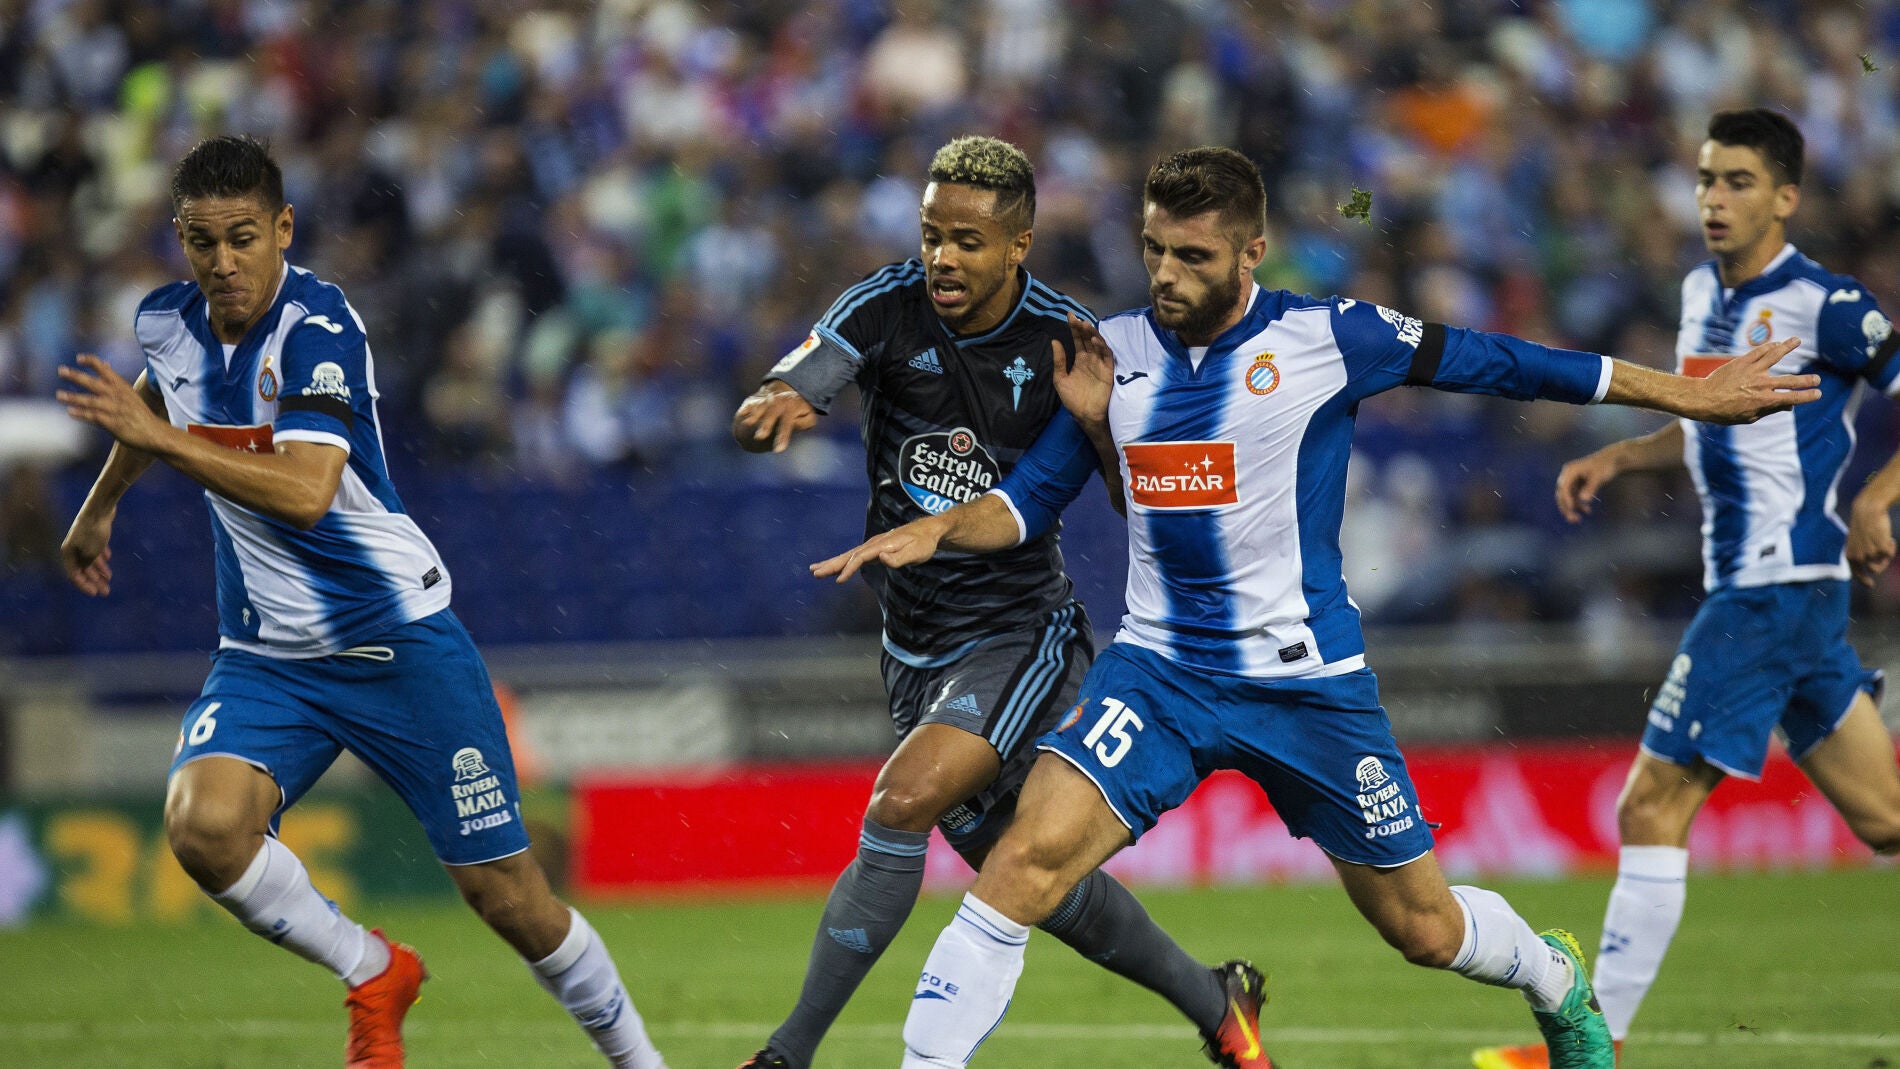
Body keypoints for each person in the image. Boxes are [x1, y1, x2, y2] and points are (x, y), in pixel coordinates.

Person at [812, 145, 1821, 1069]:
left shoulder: (1329, 336)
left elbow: (1506, 363)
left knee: (1422, 930)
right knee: (1018, 869)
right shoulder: (1108, 353)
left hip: (1305, 685)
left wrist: (1684, 394)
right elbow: (1025, 505)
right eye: (1155, 251)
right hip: (1159, 677)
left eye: (1194, 256)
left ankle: (1551, 975)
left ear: (1251, 250)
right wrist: (934, 530)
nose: (1167, 275)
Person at [55, 135, 666, 1069]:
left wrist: (156, 441)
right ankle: (373, 968)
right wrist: (101, 506)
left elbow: (304, 490)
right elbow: (159, 392)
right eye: (202, 241)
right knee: (203, 826)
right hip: (268, 654)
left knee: (510, 897)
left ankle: (642, 1063)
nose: (223, 262)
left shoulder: (320, 325)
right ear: (180, 239)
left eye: (244, 238)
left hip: (398, 641)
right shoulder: (165, 323)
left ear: (284, 230)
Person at [731, 135, 1266, 1069]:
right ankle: (1216, 1001)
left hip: (1021, 633)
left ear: (1018, 244)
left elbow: (1124, 493)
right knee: (1029, 871)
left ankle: (785, 1056)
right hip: (915, 644)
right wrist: (777, 399)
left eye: (969, 240)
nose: (943, 256)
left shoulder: (1070, 338)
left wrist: (1098, 420)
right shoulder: (886, 303)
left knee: (900, 803)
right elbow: (805, 371)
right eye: (933, 233)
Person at [1472, 109, 1900, 1069]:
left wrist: (1878, 496)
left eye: (1739, 181)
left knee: (1648, 806)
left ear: (1787, 197)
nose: (1714, 198)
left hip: (1769, 589)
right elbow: (1713, 415)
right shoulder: (1701, 289)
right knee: (1885, 819)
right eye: (1707, 178)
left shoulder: (1826, 303)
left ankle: (1595, 1041)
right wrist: (1627, 452)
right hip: (1792, 600)